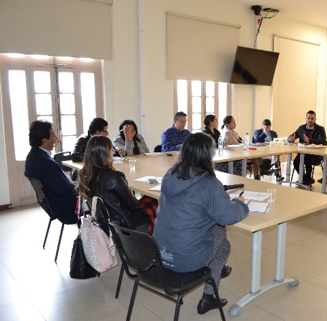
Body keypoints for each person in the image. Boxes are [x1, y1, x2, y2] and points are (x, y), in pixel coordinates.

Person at [153, 132, 249, 315]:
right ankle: (209, 296)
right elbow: (227, 217)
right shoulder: (209, 183)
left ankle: (215, 270)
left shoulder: (171, 174)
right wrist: (240, 204)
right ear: (208, 155)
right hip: (185, 259)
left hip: (159, 253)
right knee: (223, 241)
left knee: (207, 227)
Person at [77, 136, 152, 232]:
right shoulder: (113, 177)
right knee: (154, 202)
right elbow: (134, 205)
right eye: (111, 150)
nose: (113, 153)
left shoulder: (84, 175)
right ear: (105, 154)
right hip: (125, 226)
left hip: (104, 224)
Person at [24, 120, 78, 224]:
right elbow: (65, 189)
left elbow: (60, 185)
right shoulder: (43, 162)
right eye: (53, 136)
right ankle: (95, 238)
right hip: (66, 208)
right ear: (44, 141)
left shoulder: (35, 155)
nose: (56, 139)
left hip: (55, 203)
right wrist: (83, 188)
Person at [288, 110, 327, 185]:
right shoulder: (301, 128)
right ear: (306, 119)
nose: (310, 120)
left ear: (315, 119)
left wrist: (310, 140)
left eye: (312, 118)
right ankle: (305, 178)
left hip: (316, 155)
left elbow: (323, 141)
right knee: (296, 162)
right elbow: (292, 135)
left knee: (306, 160)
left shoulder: (320, 129)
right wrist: (290, 138)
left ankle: (306, 179)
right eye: (308, 118)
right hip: (303, 153)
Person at [221, 115, 263, 180]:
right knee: (256, 158)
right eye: (233, 123)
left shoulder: (234, 132)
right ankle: (261, 171)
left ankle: (257, 176)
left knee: (257, 156)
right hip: (234, 156)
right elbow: (237, 143)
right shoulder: (227, 133)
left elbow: (241, 141)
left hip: (239, 152)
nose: (235, 124)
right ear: (227, 125)